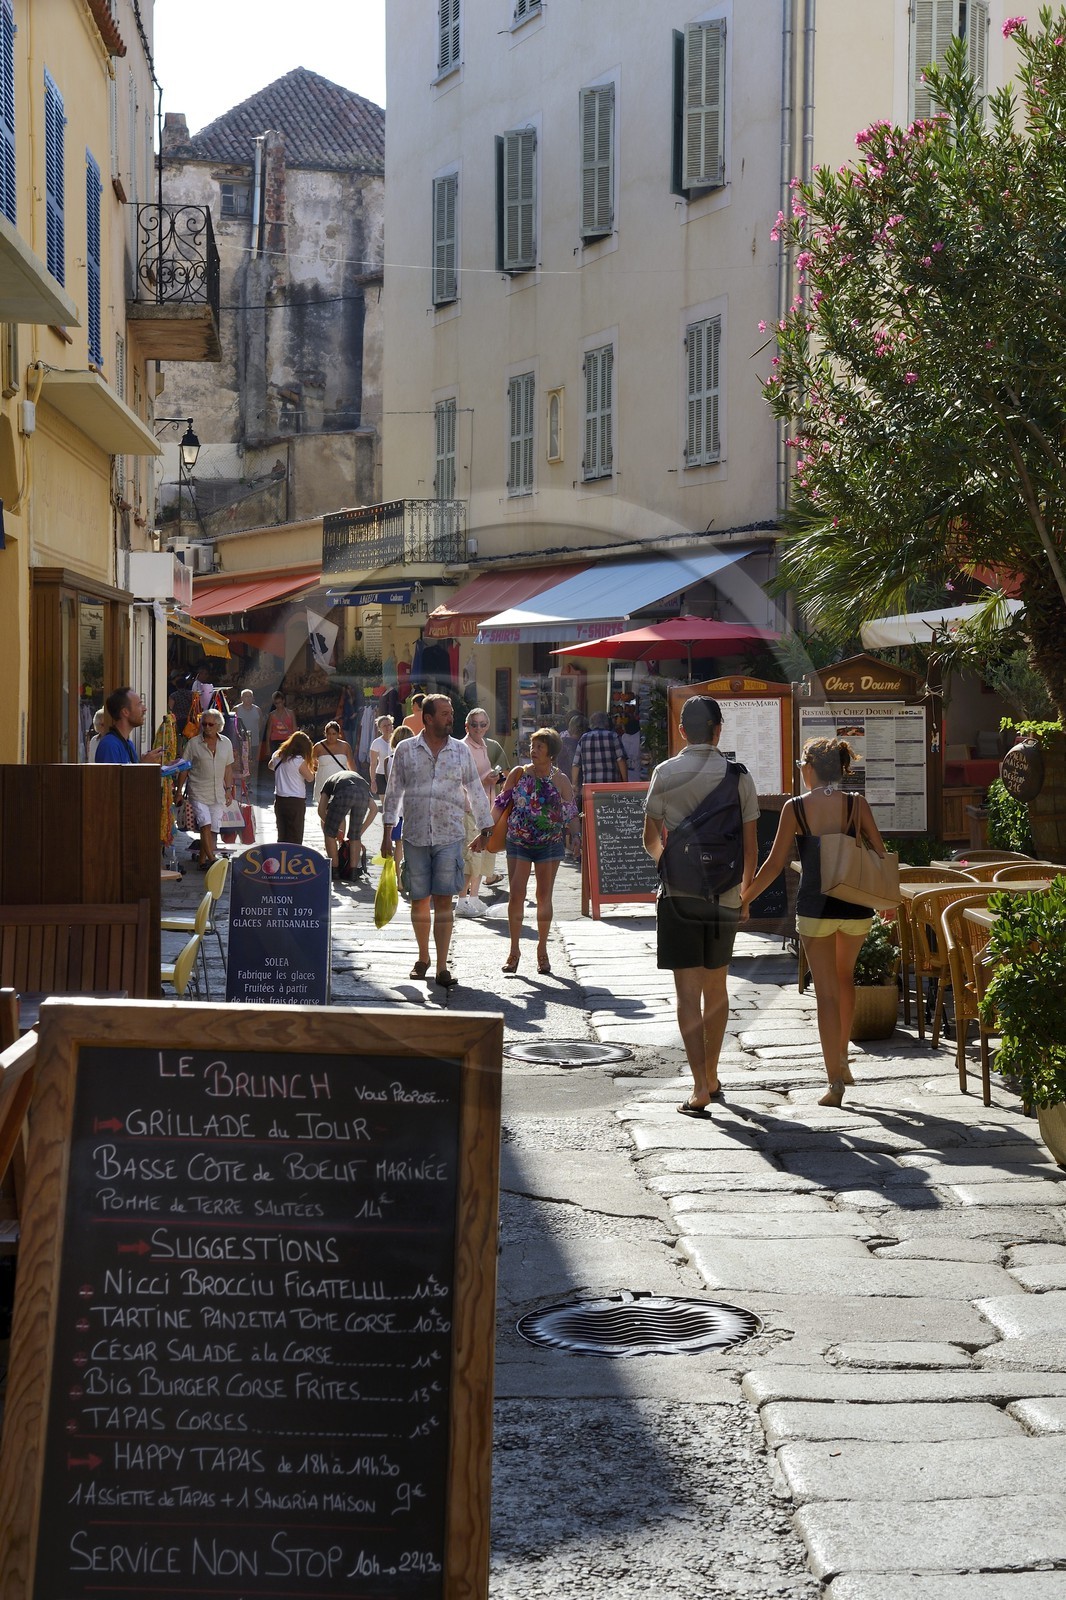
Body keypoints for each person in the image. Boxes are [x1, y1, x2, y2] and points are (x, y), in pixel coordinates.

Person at [742, 737, 886, 1108]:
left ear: (809, 768)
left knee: (825, 992)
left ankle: (834, 1081)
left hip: (815, 905)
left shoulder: (796, 808)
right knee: (845, 977)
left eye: (800, 765)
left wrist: (744, 900)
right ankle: (843, 1061)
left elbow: (774, 864)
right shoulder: (857, 804)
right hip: (855, 904)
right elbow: (880, 854)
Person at [642, 696, 759, 1119]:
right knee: (718, 990)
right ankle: (711, 1073)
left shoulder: (665, 772)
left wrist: (672, 867)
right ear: (718, 730)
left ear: (681, 730)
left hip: (678, 896)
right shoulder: (739, 777)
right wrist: (743, 894)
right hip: (725, 895)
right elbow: (751, 848)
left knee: (687, 995)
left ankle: (697, 1087)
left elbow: (650, 839)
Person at [381, 693, 493, 990]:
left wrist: (485, 827)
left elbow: (474, 788)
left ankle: (442, 965)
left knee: (444, 900)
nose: (450, 717)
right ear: (427, 718)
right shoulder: (405, 750)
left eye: (451, 712)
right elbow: (393, 792)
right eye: (444, 713)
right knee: (419, 901)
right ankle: (422, 957)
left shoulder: (459, 751)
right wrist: (386, 831)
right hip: (415, 834)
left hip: (450, 834)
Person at [497, 727, 577, 976]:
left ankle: (542, 949)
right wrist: (486, 833)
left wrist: (576, 836)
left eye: (540, 747)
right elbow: (500, 804)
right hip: (518, 841)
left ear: (550, 752)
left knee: (544, 896)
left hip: (549, 844)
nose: (533, 750)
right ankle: (514, 950)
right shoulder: (518, 774)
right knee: (516, 895)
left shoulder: (561, 780)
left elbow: (571, 812)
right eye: (532, 746)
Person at [458, 706, 507, 916]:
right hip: (469, 808)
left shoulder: (485, 746)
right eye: (474, 724)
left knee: (483, 855)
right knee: (471, 856)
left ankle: (474, 898)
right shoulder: (462, 747)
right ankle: (461, 901)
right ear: (466, 726)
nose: (479, 728)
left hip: (486, 807)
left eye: (483, 724)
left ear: (487, 727)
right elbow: (457, 781)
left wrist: (495, 779)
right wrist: (484, 779)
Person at [183, 707, 236, 870]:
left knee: (213, 828)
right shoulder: (193, 743)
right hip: (198, 790)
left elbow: (228, 768)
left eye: (210, 724)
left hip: (217, 793)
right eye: (204, 724)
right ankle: (212, 859)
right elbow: (184, 767)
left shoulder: (226, 743)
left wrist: (228, 790)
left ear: (218, 726)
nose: (206, 727)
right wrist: (178, 791)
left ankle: (202, 861)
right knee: (205, 824)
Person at [317, 767, 378, 880]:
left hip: (344, 792)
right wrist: (359, 832)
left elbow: (321, 810)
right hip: (362, 795)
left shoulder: (330, 780)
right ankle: (353, 873)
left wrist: (333, 830)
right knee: (355, 836)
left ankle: (334, 871)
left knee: (329, 834)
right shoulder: (361, 780)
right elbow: (374, 809)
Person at [269, 731, 315, 844]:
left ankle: (282, 857)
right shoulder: (298, 761)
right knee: (295, 835)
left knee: (282, 834)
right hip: (296, 801)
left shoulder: (278, 756)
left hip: (280, 800)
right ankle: (294, 859)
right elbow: (310, 778)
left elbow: (270, 766)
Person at [95, 687, 163, 764]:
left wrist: (166, 768)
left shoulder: (128, 744)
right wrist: (143, 765)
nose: (144, 709)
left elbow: (132, 774)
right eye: (139, 704)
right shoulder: (109, 745)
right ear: (125, 712)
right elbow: (111, 776)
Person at [312, 720, 356, 837]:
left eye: (334, 734)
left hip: (341, 784)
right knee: (324, 812)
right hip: (324, 784)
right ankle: (328, 838)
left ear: (338, 734)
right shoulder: (318, 747)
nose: (331, 737)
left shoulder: (345, 746)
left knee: (341, 813)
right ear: (325, 733)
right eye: (329, 734)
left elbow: (351, 763)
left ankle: (341, 841)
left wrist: (356, 781)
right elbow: (311, 764)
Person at [573, 710, 628, 798]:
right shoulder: (613, 736)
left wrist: (574, 784)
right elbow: (621, 759)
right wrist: (625, 782)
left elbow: (576, 764)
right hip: (610, 786)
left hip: (589, 787)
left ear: (591, 724)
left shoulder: (584, 738)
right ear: (606, 723)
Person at [235, 690, 263, 796]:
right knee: (242, 763)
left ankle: (249, 782)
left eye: (250, 696)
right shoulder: (237, 709)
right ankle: (243, 784)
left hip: (253, 741)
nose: (248, 698)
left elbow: (259, 724)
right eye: (246, 696)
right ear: (242, 698)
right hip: (240, 741)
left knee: (251, 762)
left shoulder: (257, 710)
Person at [369, 715, 395, 797]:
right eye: (384, 726)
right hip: (381, 774)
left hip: (395, 774)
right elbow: (373, 763)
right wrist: (373, 781)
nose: (387, 727)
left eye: (389, 725)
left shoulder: (398, 740)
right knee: (385, 804)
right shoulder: (377, 743)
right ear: (380, 729)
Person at [266, 692, 296, 760]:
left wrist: (295, 742)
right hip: (275, 741)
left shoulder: (290, 713)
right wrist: (268, 747)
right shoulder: (272, 715)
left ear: (283, 701)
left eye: (280, 702)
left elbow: (294, 728)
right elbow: (269, 730)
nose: (279, 705)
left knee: (288, 760)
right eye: (276, 703)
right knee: (277, 761)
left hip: (288, 740)